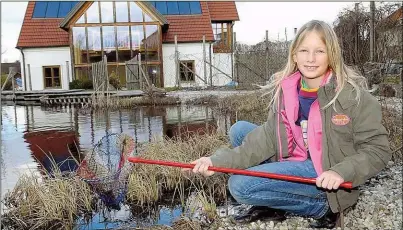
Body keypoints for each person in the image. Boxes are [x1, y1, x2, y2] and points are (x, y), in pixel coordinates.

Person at [182, 20, 391, 229]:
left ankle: (320, 206)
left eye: (319, 51)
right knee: (240, 130)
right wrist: (215, 161)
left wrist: (341, 172)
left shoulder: (353, 96)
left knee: (239, 186)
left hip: (327, 172)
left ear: (332, 55)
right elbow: (265, 138)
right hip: (298, 155)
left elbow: (378, 150)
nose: (310, 59)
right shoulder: (288, 89)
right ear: (294, 55)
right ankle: (274, 197)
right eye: (304, 50)